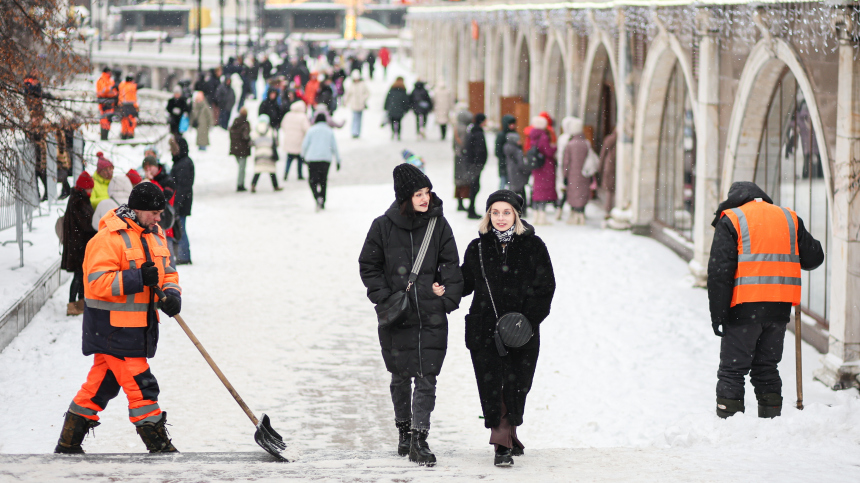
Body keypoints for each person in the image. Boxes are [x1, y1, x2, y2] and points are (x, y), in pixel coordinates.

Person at [54, 182, 182, 454]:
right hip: (114, 330)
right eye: (155, 213)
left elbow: (167, 270)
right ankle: (160, 448)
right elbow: (96, 283)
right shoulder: (107, 239)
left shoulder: (155, 234)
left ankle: (68, 444)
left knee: (100, 386)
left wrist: (171, 294)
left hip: (137, 329)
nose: (159, 219)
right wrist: (137, 278)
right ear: (138, 210)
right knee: (143, 388)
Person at [358, 164, 463, 467]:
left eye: (427, 192)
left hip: (431, 315)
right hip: (398, 316)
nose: (424, 199)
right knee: (401, 375)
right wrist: (385, 299)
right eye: (418, 194)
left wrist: (446, 297)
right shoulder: (382, 227)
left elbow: (451, 265)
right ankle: (404, 430)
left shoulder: (439, 226)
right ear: (405, 197)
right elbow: (369, 266)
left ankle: (420, 438)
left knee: (427, 377)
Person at [708, 181, 824, 419]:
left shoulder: (732, 218)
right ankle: (772, 420)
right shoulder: (788, 218)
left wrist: (718, 315)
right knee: (766, 368)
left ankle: (729, 424)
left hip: (743, 309)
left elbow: (720, 272)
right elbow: (814, 258)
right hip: (778, 311)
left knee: (732, 370)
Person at [460, 189, 555, 467]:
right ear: (488, 215)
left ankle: (510, 432)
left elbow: (546, 287)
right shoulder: (477, 247)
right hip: (485, 329)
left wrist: (528, 320)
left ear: (516, 215)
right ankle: (501, 442)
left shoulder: (534, 246)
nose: (500, 218)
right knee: (494, 384)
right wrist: (443, 282)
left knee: (517, 383)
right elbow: (466, 283)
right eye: (495, 212)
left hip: (521, 331)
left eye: (506, 212)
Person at [61, 172, 97, 316]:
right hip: (78, 246)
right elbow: (87, 224)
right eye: (90, 189)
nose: (91, 192)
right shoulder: (78, 201)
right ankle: (71, 304)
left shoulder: (79, 198)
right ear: (84, 188)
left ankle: (81, 301)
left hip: (79, 245)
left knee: (82, 275)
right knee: (78, 276)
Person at [143, 156, 179, 265]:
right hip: (153, 224)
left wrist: (151, 181)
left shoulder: (167, 180)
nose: (148, 170)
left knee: (168, 259)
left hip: (167, 223)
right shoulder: (147, 180)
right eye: (146, 168)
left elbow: (162, 197)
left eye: (151, 167)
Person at [301, 113, 341, 210]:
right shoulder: (329, 131)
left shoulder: (311, 130)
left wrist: (302, 157)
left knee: (312, 181)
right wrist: (338, 160)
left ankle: (317, 196)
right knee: (323, 181)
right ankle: (323, 200)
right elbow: (334, 147)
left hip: (313, 159)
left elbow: (305, 145)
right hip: (325, 159)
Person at [559, 117, 592, 225]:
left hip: (572, 174)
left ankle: (574, 216)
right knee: (582, 193)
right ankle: (581, 214)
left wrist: (564, 175)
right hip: (584, 174)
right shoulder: (586, 143)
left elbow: (566, 162)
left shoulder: (570, 144)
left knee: (573, 194)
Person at [528, 116, 557, 225]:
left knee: (537, 190)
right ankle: (542, 217)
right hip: (545, 167)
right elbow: (548, 152)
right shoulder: (544, 136)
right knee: (544, 192)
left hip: (537, 166)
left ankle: (536, 216)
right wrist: (554, 148)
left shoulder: (533, 135)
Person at [170, 136, 194, 265]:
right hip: (182, 201)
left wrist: (176, 204)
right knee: (181, 228)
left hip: (181, 202)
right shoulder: (182, 161)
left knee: (181, 229)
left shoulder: (183, 163)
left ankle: (184, 255)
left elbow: (183, 187)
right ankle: (183, 254)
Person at [463, 113, 489, 220]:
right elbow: (479, 150)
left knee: (474, 185)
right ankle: (471, 209)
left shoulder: (473, 131)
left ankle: (471, 208)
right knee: (475, 186)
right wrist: (480, 162)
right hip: (475, 164)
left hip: (472, 163)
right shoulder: (478, 133)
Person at [250, 114, 282, 193]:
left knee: (258, 170)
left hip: (259, 152)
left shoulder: (255, 130)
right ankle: (275, 186)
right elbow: (275, 142)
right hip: (269, 152)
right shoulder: (270, 130)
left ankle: (253, 185)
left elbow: (252, 142)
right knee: (271, 170)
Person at [280, 100, 310, 181]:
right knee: (300, 159)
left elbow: (283, 125)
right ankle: (299, 174)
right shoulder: (303, 117)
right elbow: (307, 129)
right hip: (299, 141)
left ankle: (286, 173)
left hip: (289, 140)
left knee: (289, 159)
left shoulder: (288, 115)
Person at [453, 105, 473, 212]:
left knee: (458, 179)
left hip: (457, 156)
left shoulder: (456, 127)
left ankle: (459, 202)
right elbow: (465, 143)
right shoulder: (465, 129)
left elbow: (453, 143)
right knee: (465, 179)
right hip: (463, 156)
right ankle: (463, 201)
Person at [504, 132, 529, 217]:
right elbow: (521, 164)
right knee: (522, 193)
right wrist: (527, 171)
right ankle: (523, 209)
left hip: (511, 173)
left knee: (513, 193)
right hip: (519, 174)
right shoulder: (518, 151)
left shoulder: (507, 148)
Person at [229, 107, 252, 191]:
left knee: (240, 167)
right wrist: (250, 141)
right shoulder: (245, 124)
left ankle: (240, 183)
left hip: (235, 149)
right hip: (243, 149)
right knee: (242, 168)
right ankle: (240, 184)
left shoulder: (235, 122)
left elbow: (231, 133)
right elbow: (245, 136)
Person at [343, 70, 370, 138]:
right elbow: (348, 94)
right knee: (355, 118)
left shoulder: (362, 84)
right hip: (354, 104)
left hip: (361, 104)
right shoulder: (351, 85)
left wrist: (363, 98)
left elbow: (367, 93)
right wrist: (345, 101)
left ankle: (358, 132)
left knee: (359, 119)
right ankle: (354, 132)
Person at [598, 128, 618, 220]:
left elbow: (603, 155)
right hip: (616, 166)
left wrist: (600, 167)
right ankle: (614, 208)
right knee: (614, 189)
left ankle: (608, 210)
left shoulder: (609, 139)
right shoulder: (619, 140)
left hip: (609, 165)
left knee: (609, 191)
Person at [494, 115, 517, 189]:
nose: (512, 126)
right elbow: (498, 151)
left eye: (513, 124)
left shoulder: (515, 134)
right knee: (503, 182)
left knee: (512, 184)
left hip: (513, 164)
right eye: (510, 124)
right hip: (504, 164)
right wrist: (504, 159)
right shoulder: (501, 135)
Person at [96, 67, 118, 140]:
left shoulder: (110, 80)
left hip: (110, 102)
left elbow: (114, 92)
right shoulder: (102, 80)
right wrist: (111, 88)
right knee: (104, 119)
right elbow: (103, 91)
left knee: (108, 120)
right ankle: (104, 136)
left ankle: (106, 136)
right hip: (104, 102)